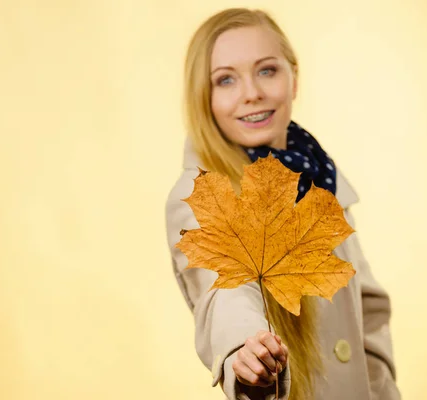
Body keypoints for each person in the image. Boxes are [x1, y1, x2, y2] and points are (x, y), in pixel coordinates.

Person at [164, 8, 400, 400]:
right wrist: (244, 349)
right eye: (225, 80)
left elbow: (368, 311)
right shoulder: (202, 190)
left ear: (294, 79)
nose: (251, 92)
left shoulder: (317, 173)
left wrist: (383, 390)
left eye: (267, 70)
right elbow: (225, 290)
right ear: (203, 98)